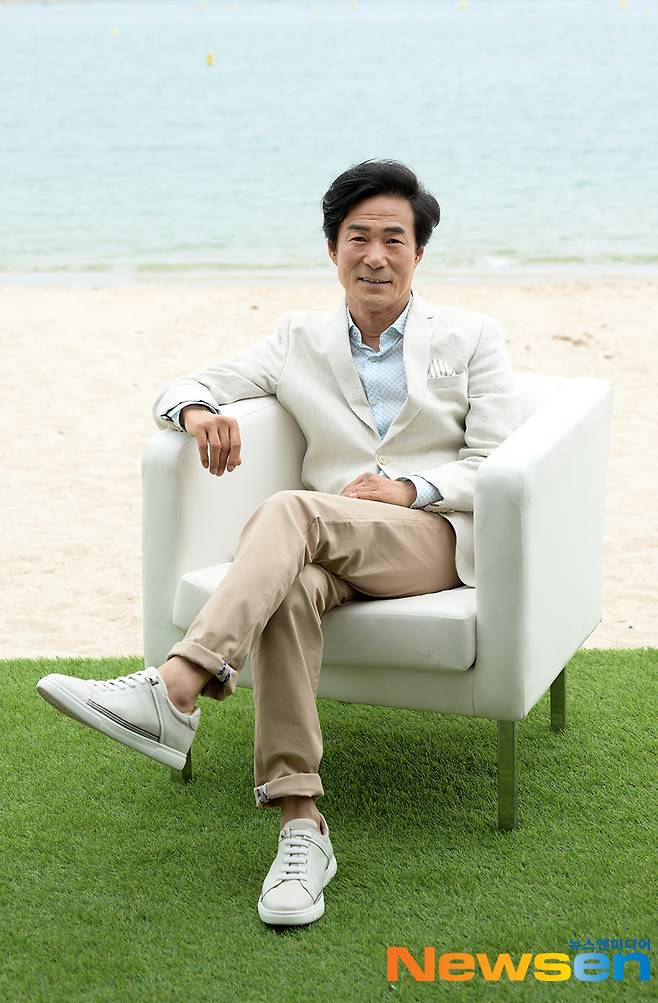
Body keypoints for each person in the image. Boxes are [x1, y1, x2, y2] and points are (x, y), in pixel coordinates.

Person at [36, 159, 522, 928]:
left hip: (429, 540)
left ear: (419, 252)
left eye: (393, 239)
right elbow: (183, 384)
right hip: (328, 543)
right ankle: (302, 823)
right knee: (290, 587)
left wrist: (409, 489)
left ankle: (177, 685)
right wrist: (199, 414)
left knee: (291, 510)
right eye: (357, 237)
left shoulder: (471, 337)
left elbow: (494, 460)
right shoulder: (300, 339)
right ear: (332, 250)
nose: (375, 255)